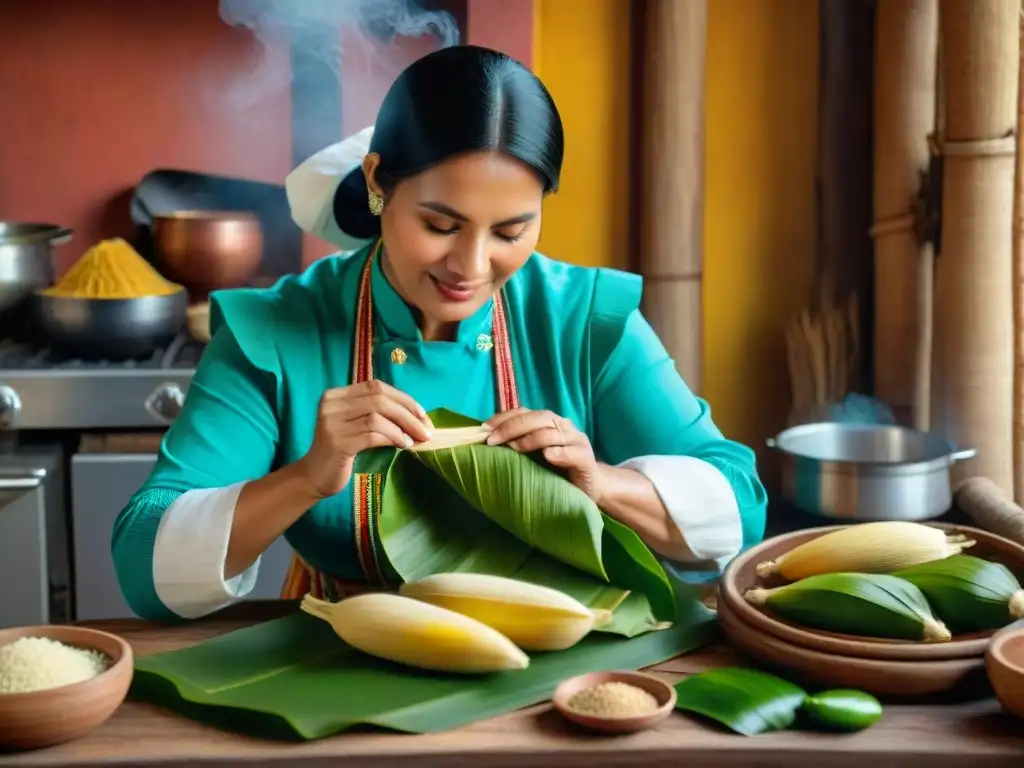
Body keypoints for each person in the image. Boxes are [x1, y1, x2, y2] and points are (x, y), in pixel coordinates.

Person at [111, 44, 767, 622]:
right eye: (441, 225)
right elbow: (144, 565)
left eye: (511, 232)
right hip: (347, 656)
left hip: (557, 668)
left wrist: (603, 483)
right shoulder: (282, 330)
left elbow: (740, 508)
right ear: (377, 184)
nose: (472, 266)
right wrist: (308, 476)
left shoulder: (581, 318)